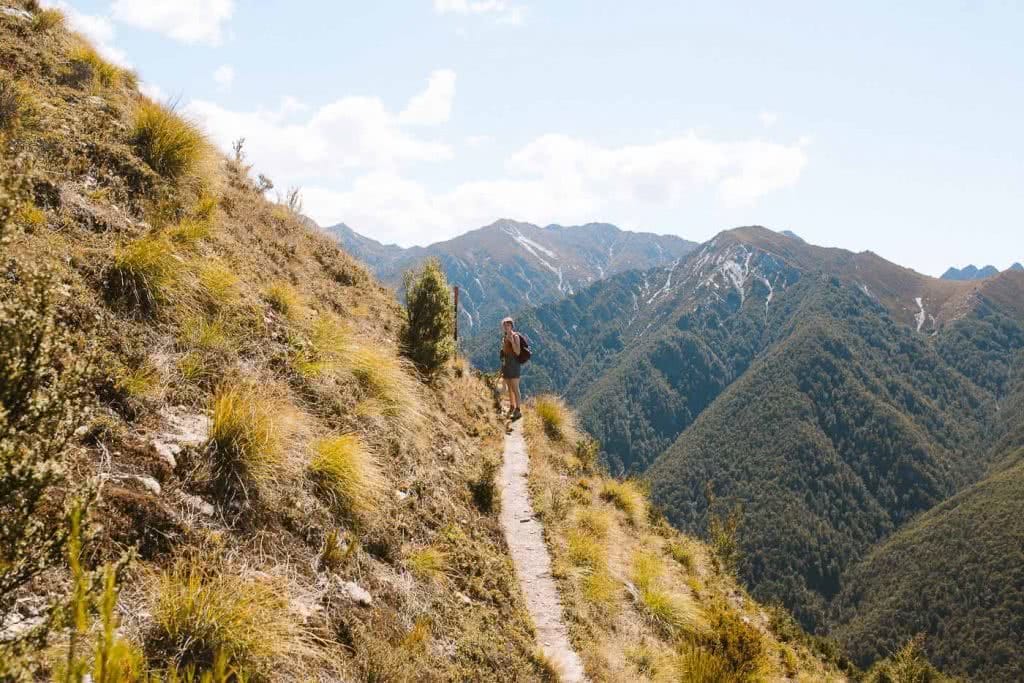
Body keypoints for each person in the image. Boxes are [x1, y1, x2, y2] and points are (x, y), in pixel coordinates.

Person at [499, 316, 522, 420]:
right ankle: (511, 407)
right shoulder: (504, 337)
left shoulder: (515, 336)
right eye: (505, 325)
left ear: (512, 326)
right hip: (507, 364)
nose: (506, 327)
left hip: (515, 364)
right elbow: (504, 352)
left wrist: (512, 341)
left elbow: (517, 352)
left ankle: (518, 410)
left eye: (508, 325)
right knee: (509, 388)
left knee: (515, 388)